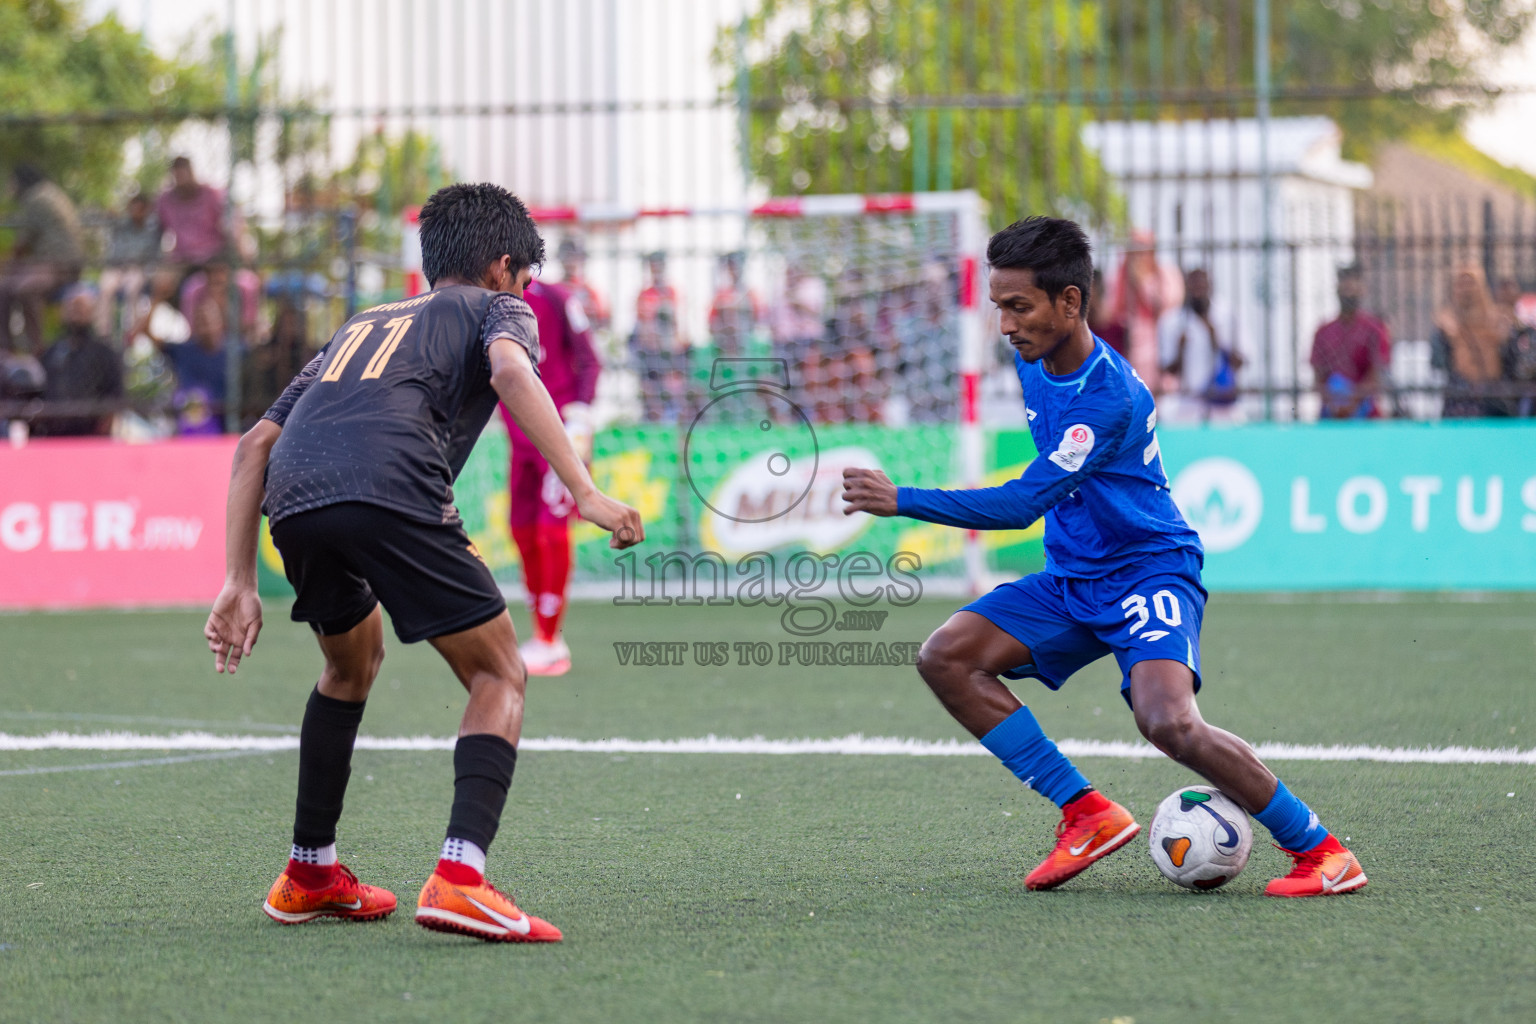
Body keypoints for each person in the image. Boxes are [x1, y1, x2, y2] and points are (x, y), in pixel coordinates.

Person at [841, 216, 1367, 899]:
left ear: (1070, 303)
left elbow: (1020, 505)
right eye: (999, 307)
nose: (1005, 325)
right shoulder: (1034, 360)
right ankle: (1086, 813)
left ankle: (1323, 851)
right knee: (947, 657)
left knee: (1168, 723)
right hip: (1073, 576)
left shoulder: (1107, 398)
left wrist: (901, 498)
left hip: (1148, 569)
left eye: (1019, 307)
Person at [203, 182, 643, 943]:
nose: (528, 293)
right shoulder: (498, 307)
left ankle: (310, 871)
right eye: (527, 279)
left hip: (296, 499)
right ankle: (461, 877)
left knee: (350, 663)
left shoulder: (361, 324)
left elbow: (254, 447)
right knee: (500, 673)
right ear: (505, 266)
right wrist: (587, 491)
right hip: (390, 484)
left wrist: (240, 581)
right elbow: (511, 373)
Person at [497, 275, 601, 676]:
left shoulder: (554, 298)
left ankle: (550, 639)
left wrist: (582, 414)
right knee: (520, 530)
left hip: (558, 436)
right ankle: (540, 633)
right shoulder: (484, 304)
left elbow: (591, 359)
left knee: (550, 531)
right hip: (518, 441)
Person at [0, 165, 85, 353]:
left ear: (20, 181)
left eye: (11, 183)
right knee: (4, 286)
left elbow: (23, 243)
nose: (9, 187)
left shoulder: (36, 198)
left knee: (25, 288)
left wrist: (7, 264)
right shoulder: (49, 192)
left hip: (60, 264)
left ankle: (36, 348)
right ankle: (6, 347)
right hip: (55, 262)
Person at [1157, 268, 1244, 423]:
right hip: (1187, 403)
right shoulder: (1172, 320)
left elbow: (1240, 361)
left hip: (1222, 402)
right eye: (1193, 286)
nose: (1198, 291)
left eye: (1201, 286)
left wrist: (1216, 339)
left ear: (1210, 286)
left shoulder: (1226, 315)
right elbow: (1167, 369)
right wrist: (1180, 350)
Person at [35, 284, 122, 437]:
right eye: (71, 306)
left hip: (91, 436)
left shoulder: (104, 353)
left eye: (81, 306)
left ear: (91, 312)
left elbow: (115, 396)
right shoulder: (51, 352)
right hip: (54, 437)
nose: (76, 311)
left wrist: (104, 428)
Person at [1431, 263, 1514, 418]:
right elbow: (1437, 364)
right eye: (1461, 284)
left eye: (1470, 283)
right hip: (1459, 399)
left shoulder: (1499, 319)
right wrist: (1448, 337)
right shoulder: (1445, 323)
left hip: (1493, 399)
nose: (1466, 289)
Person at [1310, 265, 1393, 419]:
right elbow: (1318, 376)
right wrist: (1334, 404)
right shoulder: (1323, 331)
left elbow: (1378, 373)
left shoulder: (1374, 329)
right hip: (1331, 415)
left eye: (1353, 288)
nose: (1348, 293)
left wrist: (1353, 402)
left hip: (1366, 416)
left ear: (1362, 290)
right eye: (1345, 288)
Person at [149, 295, 237, 434]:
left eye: (208, 319)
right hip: (188, 430)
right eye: (200, 320)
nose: (205, 325)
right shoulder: (183, 350)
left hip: (225, 430)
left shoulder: (235, 353)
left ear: (220, 321)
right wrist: (157, 297)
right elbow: (149, 336)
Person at [97, 192, 162, 341]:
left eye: (140, 209)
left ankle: (130, 334)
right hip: (116, 267)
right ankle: (103, 334)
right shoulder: (121, 225)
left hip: (137, 270)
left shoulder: (153, 230)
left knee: (132, 290)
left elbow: (154, 258)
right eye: (134, 209)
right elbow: (107, 229)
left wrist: (147, 273)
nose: (136, 213)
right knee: (105, 289)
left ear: (146, 210)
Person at [630, 251, 687, 422]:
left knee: (672, 388)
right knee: (650, 390)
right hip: (649, 351)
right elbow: (640, 324)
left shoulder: (672, 292)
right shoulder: (644, 294)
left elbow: (677, 322)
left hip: (669, 351)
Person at [707, 251, 763, 359]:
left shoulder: (750, 293)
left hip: (745, 339)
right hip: (724, 340)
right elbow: (711, 321)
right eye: (731, 267)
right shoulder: (721, 294)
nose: (734, 271)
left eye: (736, 266)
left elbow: (757, 319)